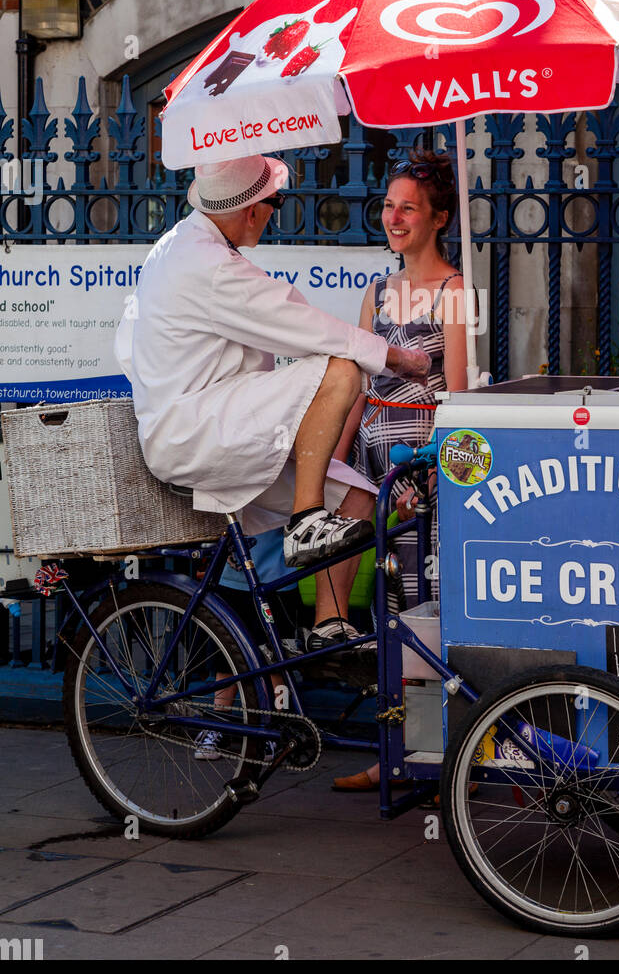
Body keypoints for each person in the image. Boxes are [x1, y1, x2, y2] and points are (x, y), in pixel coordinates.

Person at [114, 155, 431, 655]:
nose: (273, 214)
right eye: (274, 204)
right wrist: (393, 357)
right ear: (252, 210)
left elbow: (128, 345)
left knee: (356, 498)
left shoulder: (182, 247)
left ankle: (329, 627)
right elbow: (305, 328)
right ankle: (306, 521)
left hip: (210, 424)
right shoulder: (206, 264)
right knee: (340, 369)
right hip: (198, 429)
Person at [331, 149, 469, 792]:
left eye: (407, 207)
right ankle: (393, 751)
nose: (393, 216)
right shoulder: (375, 291)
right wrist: (336, 457)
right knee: (386, 607)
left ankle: (439, 755)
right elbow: (357, 386)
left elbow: (460, 394)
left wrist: (430, 475)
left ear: (438, 218)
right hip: (372, 460)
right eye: (388, 205)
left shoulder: (456, 291)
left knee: (424, 606)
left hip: (422, 465)